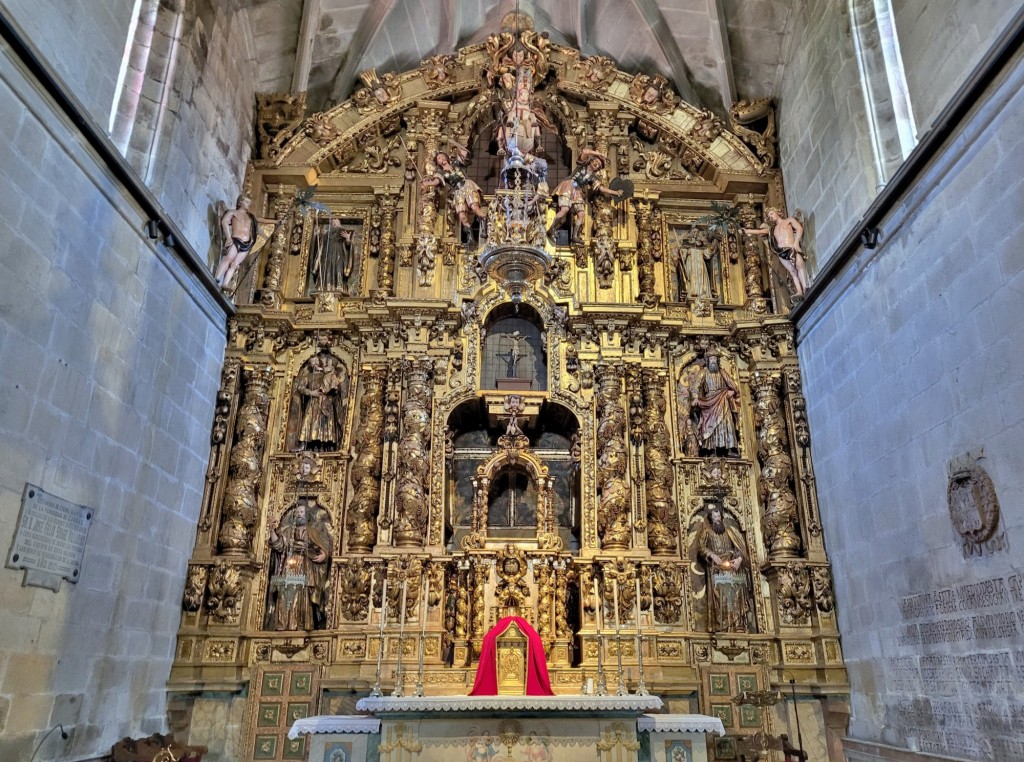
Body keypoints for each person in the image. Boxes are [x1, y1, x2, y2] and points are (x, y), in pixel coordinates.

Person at [265, 500, 332, 631]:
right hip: (289, 565)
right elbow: (278, 545)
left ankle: (301, 624)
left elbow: (322, 547)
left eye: (302, 512)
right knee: (285, 591)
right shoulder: (289, 531)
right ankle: (283, 624)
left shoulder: (312, 531)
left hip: (305, 566)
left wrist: (323, 555)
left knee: (302, 594)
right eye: (297, 512)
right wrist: (272, 530)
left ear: (307, 515)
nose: (299, 514)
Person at [696, 504, 752, 632]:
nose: (717, 519)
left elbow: (740, 548)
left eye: (719, 517)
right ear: (711, 519)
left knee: (736, 595)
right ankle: (723, 626)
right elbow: (701, 547)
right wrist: (712, 555)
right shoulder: (706, 532)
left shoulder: (729, 531)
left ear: (722, 517)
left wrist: (739, 559)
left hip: (732, 567)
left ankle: (738, 625)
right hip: (717, 569)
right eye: (714, 517)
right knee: (721, 598)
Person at [547, 148, 622, 242]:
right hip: (570, 185)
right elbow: (585, 151)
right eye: (596, 161)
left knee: (581, 214)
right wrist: (598, 154)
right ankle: (551, 229)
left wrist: (615, 192)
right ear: (592, 160)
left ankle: (575, 236)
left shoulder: (592, 177)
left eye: (599, 164)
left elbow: (601, 189)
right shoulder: (582, 165)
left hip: (577, 191)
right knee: (565, 209)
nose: (597, 164)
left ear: (598, 169)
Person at [286, 353, 349, 452]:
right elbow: (300, 387)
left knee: (325, 423)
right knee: (309, 421)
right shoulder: (308, 376)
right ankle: (306, 444)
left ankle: (327, 445)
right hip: (313, 402)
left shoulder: (327, 374)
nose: (315, 363)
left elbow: (334, 385)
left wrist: (330, 390)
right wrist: (311, 392)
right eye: (312, 362)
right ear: (310, 365)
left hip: (326, 402)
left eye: (316, 361)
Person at [421, 148, 487, 240]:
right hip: (458, 191)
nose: (442, 158)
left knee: (474, 207)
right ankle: (470, 238)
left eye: (443, 156)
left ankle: (484, 226)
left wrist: (458, 147)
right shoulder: (441, 173)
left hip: (467, 185)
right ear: (438, 162)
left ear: (446, 157)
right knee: (462, 216)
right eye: (439, 158)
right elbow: (436, 181)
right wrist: (427, 183)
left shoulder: (455, 163)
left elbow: (465, 152)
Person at [214, 195, 276, 291]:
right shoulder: (233, 212)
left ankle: (225, 283)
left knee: (235, 264)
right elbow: (224, 222)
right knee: (228, 258)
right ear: (240, 202)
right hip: (235, 240)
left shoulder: (250, 217)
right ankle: (216, 278)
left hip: (247, 243)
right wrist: (228, 237)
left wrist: (276, 221)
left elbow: (262, 220)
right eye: (247, 202)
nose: (248, 204)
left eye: (249, 203)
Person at [744, 207, 810, 296]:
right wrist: (747, 230)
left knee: (800, 264)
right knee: (792, 271)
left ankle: (805, 287)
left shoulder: (789, 220)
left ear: (777, 212)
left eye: (771, 213)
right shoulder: (772, 229)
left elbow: (799, 228)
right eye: (769, 216)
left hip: (791, 247)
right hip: (781, 252)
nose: (771, 216)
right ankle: (799, 291)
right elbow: (760, 231)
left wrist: (796, 242)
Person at [690, 351, 740, 456]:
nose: (713, 361)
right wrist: (695, 397)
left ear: (717, 361)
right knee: (709, 424)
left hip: (723, 400)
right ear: (708, 361)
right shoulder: (703, 372)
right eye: (711, 359)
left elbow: (733, 385)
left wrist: (733, 391)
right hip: (709, 402)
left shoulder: (722, 372)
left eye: (714, 359)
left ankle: (730, 448)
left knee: (726, 423)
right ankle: (711, 450)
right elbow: (695, 387)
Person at [308, 218, 355, 294]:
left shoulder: (343, 233)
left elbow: (348, 247)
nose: (334, 224)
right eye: (333, 223)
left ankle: (339, 287)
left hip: (339, 257)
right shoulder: (326, 235)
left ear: (339, 224)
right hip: (326, 257)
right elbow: (319, 246)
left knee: (338, 271)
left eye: (336, 222)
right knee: (325, 271)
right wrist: (317, 235)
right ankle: (323, 288)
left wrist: (348, 239)